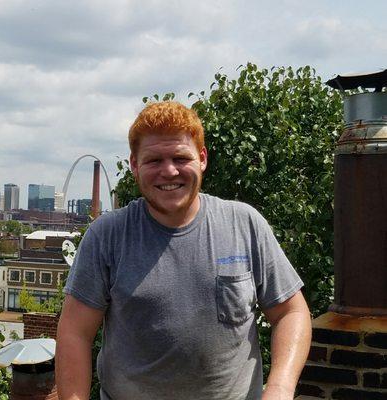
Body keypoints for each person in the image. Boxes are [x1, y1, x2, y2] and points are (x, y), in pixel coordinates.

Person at [56, 101, 311, 400]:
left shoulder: (244, 224)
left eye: (180, 157)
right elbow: (75, 331)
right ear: (134, 165)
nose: (169, 171)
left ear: (202, 159)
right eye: (154, 160)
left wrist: (280, 388)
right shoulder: (108, 235)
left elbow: (291, 312)